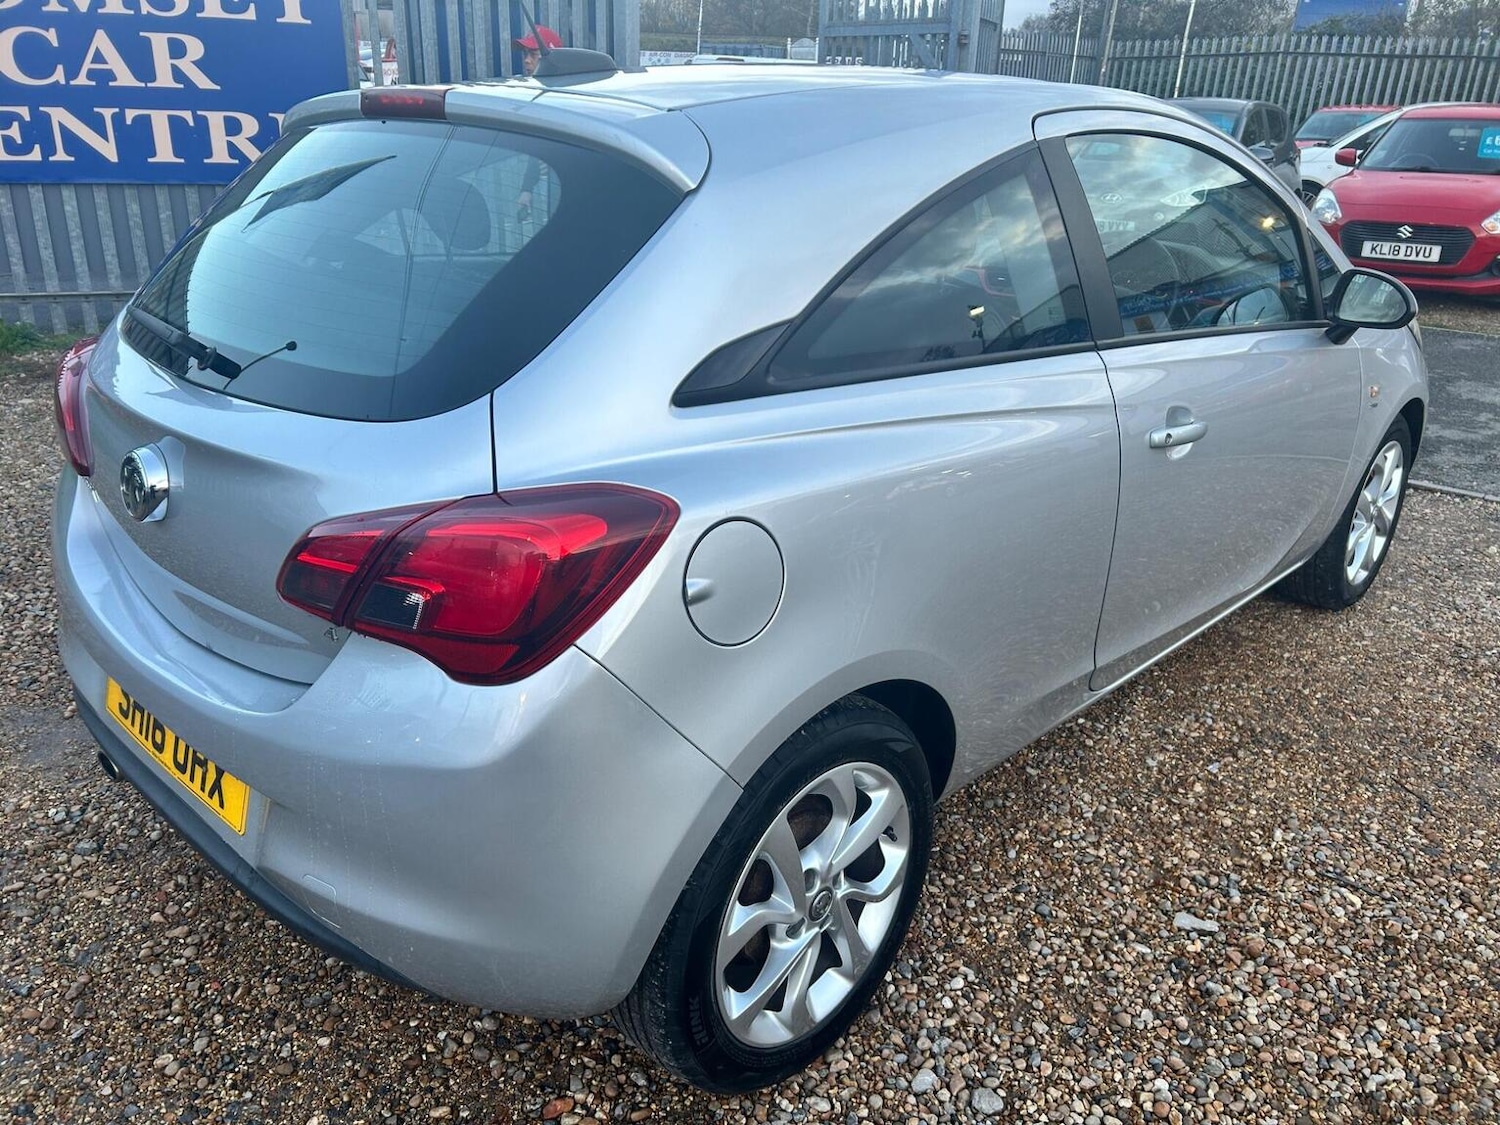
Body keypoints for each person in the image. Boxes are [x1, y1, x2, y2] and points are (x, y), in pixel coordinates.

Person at [515, 26, 563, 219]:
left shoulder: (562, 101)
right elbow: (537, 152)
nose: (527, 60)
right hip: (545, 188)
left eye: (534, 54)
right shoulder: (538, 98)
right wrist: (527, 188)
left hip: (560, 188)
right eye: (526, 54)